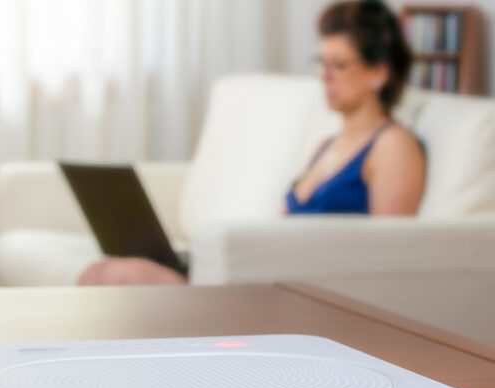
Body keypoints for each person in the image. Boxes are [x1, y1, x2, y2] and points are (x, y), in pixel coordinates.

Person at [78, 0, 425, 286]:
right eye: (321, 63)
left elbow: (388, 257)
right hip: (270, 275)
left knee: (120, 276)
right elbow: (281, 227)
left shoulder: (392, 145)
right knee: (103, 270)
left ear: (379, 72)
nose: (324, 76)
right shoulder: (326, 145)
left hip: (305, 288)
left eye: (338, 65)